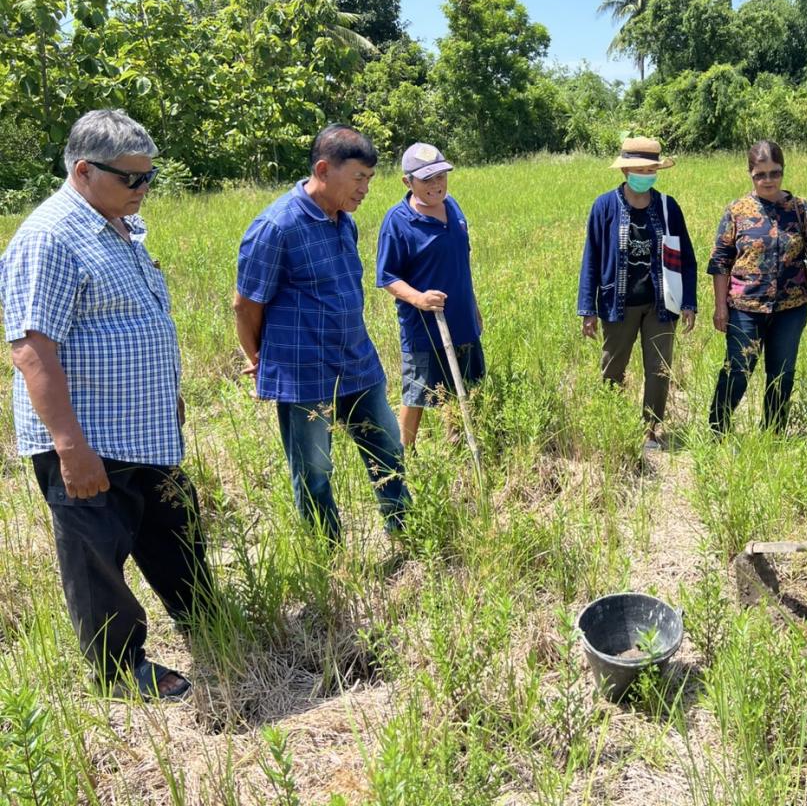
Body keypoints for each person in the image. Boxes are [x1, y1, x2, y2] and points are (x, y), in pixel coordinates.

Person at [0, 109, 211, 700]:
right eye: (132, 179)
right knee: (96, 561)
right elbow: (33, 350)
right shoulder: (50, 238)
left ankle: (208, 625)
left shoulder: (116, 225)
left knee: (176, 530)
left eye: (150, 178)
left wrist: (167, 397)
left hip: (143, 429)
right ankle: (121, 670)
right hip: (89, 437)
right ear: (85, 170)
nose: (144, 190)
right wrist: (70, 446)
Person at [234, 125, 411, 543]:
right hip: (305, 376)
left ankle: (406, 533)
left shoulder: (343, 221)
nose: (365, 188)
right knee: (314, 472)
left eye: (370, 179)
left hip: (357, 364)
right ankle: (328, 558)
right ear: (323, 169)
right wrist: (258, 359)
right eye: (358, 178)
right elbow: (245, 304)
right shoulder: (276, 227)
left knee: (388, 452)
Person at [577, 136, 697, 449]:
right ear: (625, 171)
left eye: (650, 168)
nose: (644, 174)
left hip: (661, 304)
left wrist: (689, 303)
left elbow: (687, 258)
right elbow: (591, 258)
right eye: (638, 168)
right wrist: (587, 308)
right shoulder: (604, 206)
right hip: (618, 305)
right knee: (612, 367)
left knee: (659, 369)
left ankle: (651, 430)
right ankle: (612, 425)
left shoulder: (668, 207)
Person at [707, 140, 807, 435]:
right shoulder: (737, 211)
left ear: (783, 171)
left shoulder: (800, 209)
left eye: (775, 173)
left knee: (782, 374)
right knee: (737, 371)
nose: (768, 180)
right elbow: (720, 262)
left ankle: (773, 434)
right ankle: (717, 430)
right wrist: (720, 306)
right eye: (760, 174)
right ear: (750, 174)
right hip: (745, 310)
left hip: (791, 308)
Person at [376, 142, 484, 449]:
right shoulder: (397, 221)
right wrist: (419, 299)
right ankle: (402, 457)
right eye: (426, 179)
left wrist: (473, 305)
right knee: (417, 394)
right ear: (407, 182)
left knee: (463, 385)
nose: (436, 185)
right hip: (424, 326)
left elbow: (461, 261)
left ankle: (457, 445)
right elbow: (387, 277)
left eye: (440, 176)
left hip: (462, 319)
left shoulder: (453, 207)